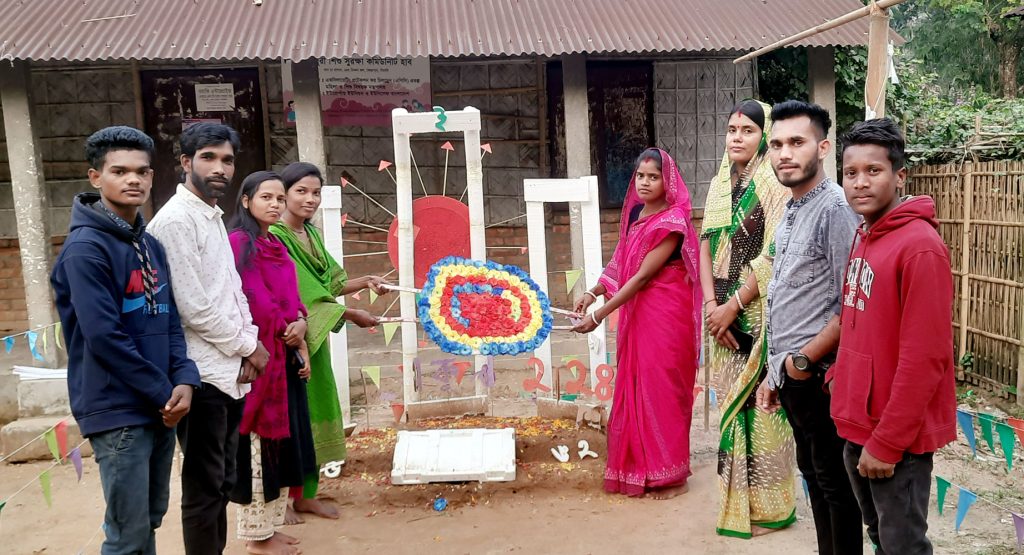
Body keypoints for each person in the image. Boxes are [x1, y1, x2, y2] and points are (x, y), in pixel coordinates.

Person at [51, 126, 201, 553]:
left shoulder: (150, 244)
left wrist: (185, 380)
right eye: (120, 171)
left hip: (160, 405)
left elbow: (171, 320)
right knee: (127, 533)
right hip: (118, 407)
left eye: (141, 171)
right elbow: (104, 337)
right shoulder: (85, 249)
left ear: (153, 177)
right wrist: (163, 393)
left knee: (149, 519)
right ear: (95, 177)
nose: (133, 180)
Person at [828, 118, 956, 555]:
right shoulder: (865, 235)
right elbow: (857, 326)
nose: (860, 183)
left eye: (874, 171)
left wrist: (887, 441)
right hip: (859, 424)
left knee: (904, 546)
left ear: (900, 176)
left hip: (895, 437)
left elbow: (926, 358)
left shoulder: (920, 247)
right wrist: (840, 384)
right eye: (850, 173)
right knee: (881, 539)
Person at [149, 122, 270, 555]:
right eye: (208, 158)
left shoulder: (212, 214)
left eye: (227, 160)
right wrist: (248, 346)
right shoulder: (176, 221)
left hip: (230, 369)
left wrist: (250, 343)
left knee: (222, 481)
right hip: (200, 374)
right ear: (185, 162)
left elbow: (231, 289)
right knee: (204, 487)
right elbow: (193, 307)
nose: (220, 168)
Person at [753, 100, 863, 555]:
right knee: (816, 479)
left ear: (823, 147)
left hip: (821, 376)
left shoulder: (835, 209)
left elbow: (851, 304)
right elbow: (782, 294)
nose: (784, 153)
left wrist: (801, 361)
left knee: (836, 488)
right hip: (793, 373)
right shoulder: (794, 207)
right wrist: (773, 369)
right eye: (776, 144)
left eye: (796, 142)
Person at [571, 147, 701, 499]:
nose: (645, 182)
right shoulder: (635, 215)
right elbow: (620, 262)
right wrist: (593, 292)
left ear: (667, 181)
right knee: (636, 389)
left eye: (653, 176)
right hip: (636, 313)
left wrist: (598, 316)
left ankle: (672, 476)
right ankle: (640, 472)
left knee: (662, 391)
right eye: (640, 176)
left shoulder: (672, 222)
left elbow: (643, 276)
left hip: (665, 318)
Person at [270, 162, 389, 520]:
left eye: (316, 192)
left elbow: (332, 284)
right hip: (286, 336)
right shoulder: (276, 237)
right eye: (301, 191)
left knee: (312, 409)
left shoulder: (311, 233)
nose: (310, 199)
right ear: (284, 195)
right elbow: (298, 291)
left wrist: (366, 280)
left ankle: (305, 495)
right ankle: (278, 500)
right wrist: (350, 315)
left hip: (314, 333)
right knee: (286, 416)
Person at [700, 100, 797, 538]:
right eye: (731, 129)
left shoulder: (773, 185)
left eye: (748, 130)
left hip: (755, 316)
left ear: (764, 136)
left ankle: (770, 509)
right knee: (731, 408)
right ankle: (734, 504)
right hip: (718, 314)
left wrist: (732, 307)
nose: (737, 137)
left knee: (761, 411)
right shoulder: (719, 185)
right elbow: (703, 246)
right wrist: (709, 307)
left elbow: (773, 254)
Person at [227, 171, 318, 555]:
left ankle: (270, 528)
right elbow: (252, 296)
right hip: (259, 357)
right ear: (246, 201)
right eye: (266, 197)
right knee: (258, 446)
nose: (275, 205)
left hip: (284, 351)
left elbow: (291, 296)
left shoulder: (275, 245)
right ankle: (254, 536)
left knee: (285, 440)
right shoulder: (238, 243)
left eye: (280, 199)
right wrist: (288, 329)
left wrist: (300, 323)